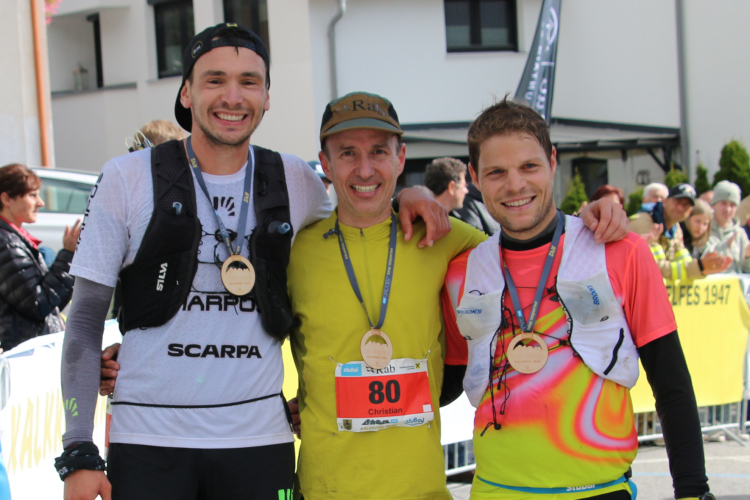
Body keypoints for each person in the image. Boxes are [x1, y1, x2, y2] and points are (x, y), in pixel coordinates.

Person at [57, 24, 448, 500]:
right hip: (148, 440)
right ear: (186, 93)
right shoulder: (127, 178)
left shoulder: (294, 179)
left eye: (249, 81)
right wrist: (78, 449)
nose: (233, 96)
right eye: (215, 79)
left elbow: (357, 221)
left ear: (266, 97)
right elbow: (84, 322)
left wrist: (411, 194)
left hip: (259, 441)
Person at [442, 96, 713, 500]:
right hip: (496, 491)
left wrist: (692, 490)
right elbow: (444, 384)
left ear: (553, 161)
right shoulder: (461, 271)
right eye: (496, 171)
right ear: (474, 177)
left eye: (529, 166)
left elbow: (670, 380)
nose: (515, 185)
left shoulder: (620, 250)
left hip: (599, 490)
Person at [0, 163, 80, 351]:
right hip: (26, 353)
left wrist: (71, 258)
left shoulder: (13, 238)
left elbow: (51, 305)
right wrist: (68, 256)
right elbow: (38, 305)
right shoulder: (6, 243)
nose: (41, 203)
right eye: (32, 195)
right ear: (6, 199)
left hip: (32, 349)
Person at [630, 183, 730, 280]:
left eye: (686, 205)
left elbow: (683, 261)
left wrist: (704, 269)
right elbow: (654, 269)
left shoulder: (676, 228)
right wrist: (700, 266)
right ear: (665, 202)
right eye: (677, 202)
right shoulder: (643, 222)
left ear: (690, 211)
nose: (680, 208)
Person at [705, 180, 750, 273]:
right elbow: (701, 263)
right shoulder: (704, 230)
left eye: (732, 205)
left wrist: (747, 256)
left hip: (735, 282)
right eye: (723, 203)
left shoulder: (740, 233)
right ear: (713, 205)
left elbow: (746, 271)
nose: (728, 209)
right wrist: (725, 245)